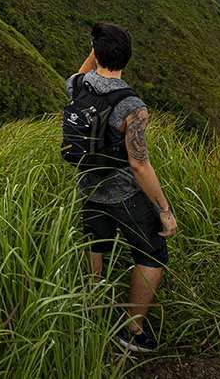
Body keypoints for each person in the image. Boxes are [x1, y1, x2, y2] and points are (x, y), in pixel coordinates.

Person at [70, 22, 177, 354]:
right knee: (152, 253)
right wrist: (164, 209)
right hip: (124, 194)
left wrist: (96, 45)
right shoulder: (133, 106)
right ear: (128, 58)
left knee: (96, 243)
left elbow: (84, 70)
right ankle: (132, 330)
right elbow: (139, 164)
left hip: (87, 185)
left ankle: (94, 309)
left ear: (96, 52)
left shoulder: (76, 86)